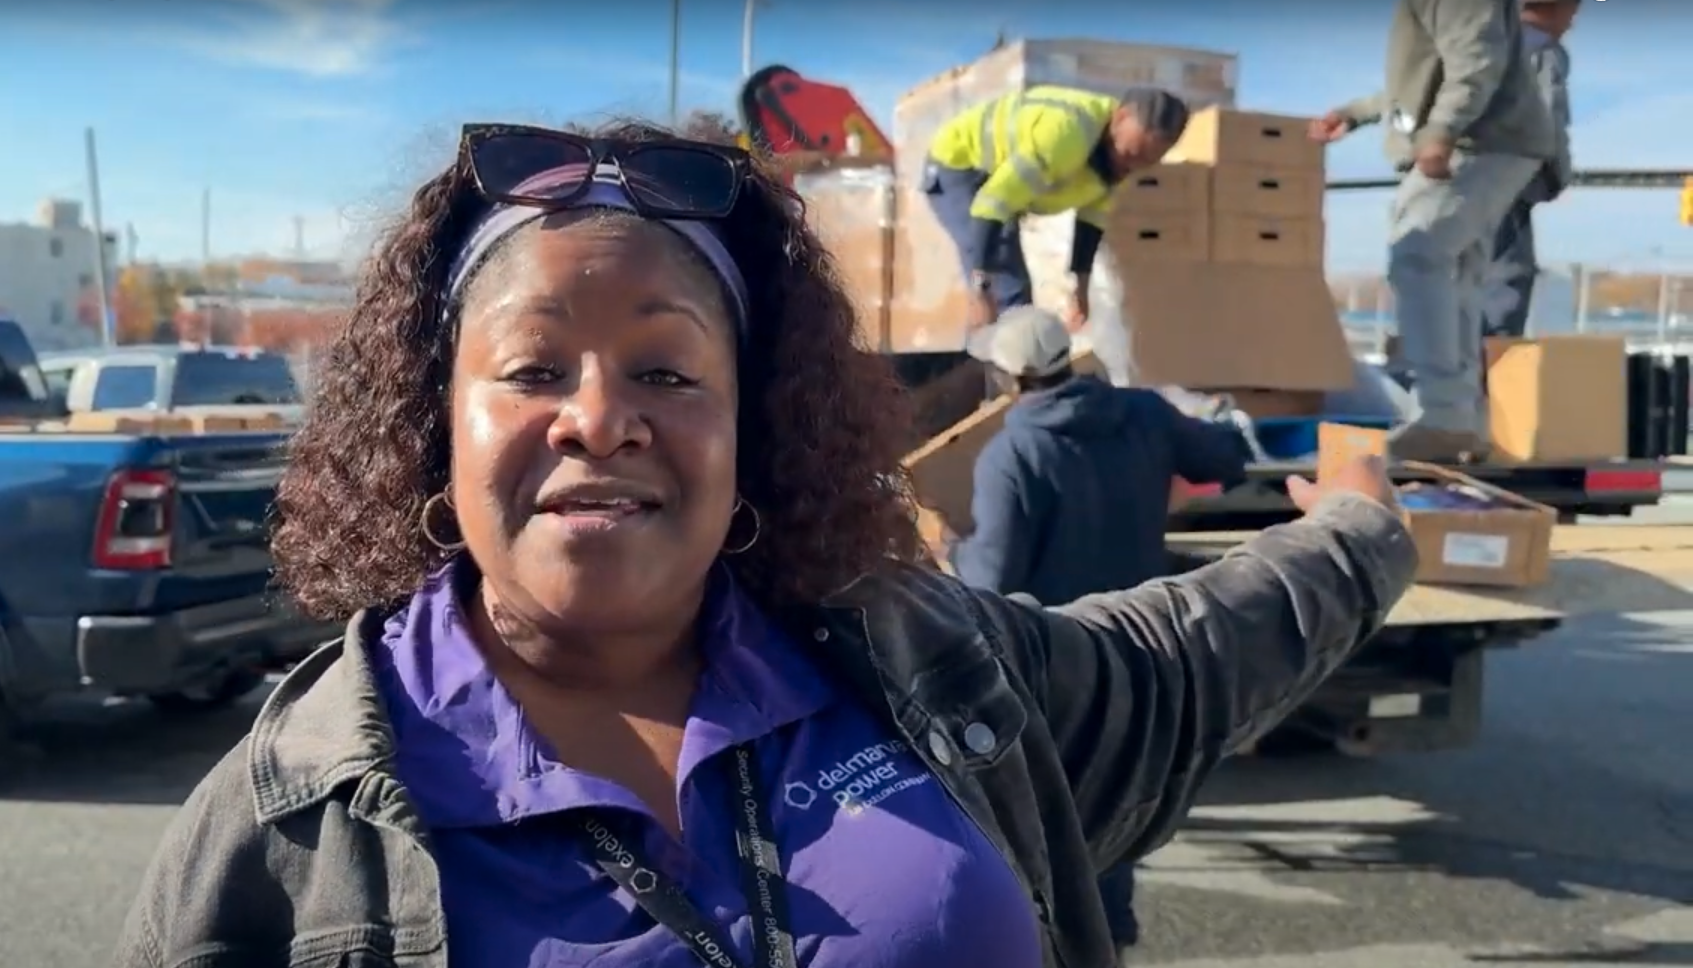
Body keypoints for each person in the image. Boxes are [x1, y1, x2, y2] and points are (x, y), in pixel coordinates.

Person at [114, 119, 1417, 968]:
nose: (598, 419)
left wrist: (1370, 529)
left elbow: (1188, 653)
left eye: (667, 372)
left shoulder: (920, 665)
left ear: (751, 428)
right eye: (530, 367)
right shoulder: (291, 819)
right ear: (430, 426)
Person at [948, 306, 1253, 962]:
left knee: (1075, 809)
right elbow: (1225, 459)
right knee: (1129, 790)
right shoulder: (1142, 412)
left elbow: (992, 577)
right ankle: (1109, 938)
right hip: (1147, 639)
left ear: (1007, 378)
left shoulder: (1013, 453)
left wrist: (948, 547)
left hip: (1062, 658)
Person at [1309, 0, 1554, 463]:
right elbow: (1429, 76)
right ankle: (1462, 421)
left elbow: (1476, 59)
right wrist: (1359, 111)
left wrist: (1440, 130)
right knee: (1457, 275)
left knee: (1419, 256)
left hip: (1475, 141)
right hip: (1498, 141)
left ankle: (1444, 417)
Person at [921, 86, 1190, 339]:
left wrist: (1080, 290)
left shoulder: (1119, 163)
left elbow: (1090, 222)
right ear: (1119, 118)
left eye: (1146, 162)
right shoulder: (1064, 136)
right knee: (1008, 292)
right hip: (960, 165)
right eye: (1131, 154)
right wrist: (980, 287)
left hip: (1000, 185)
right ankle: (1009, 382)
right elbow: (991, 204)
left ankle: (1009, 373)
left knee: (1013, 296)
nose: (1131, 167)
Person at [1486, 0, 1579, 338]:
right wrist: (1554, 178)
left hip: (1460, 183)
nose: (1572, 23)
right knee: (1505, 282)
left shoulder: (1480, 43)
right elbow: (1548, 120)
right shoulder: (1542, 52)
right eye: (1573, 11)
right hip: (1508, 184)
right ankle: (1492, 376)